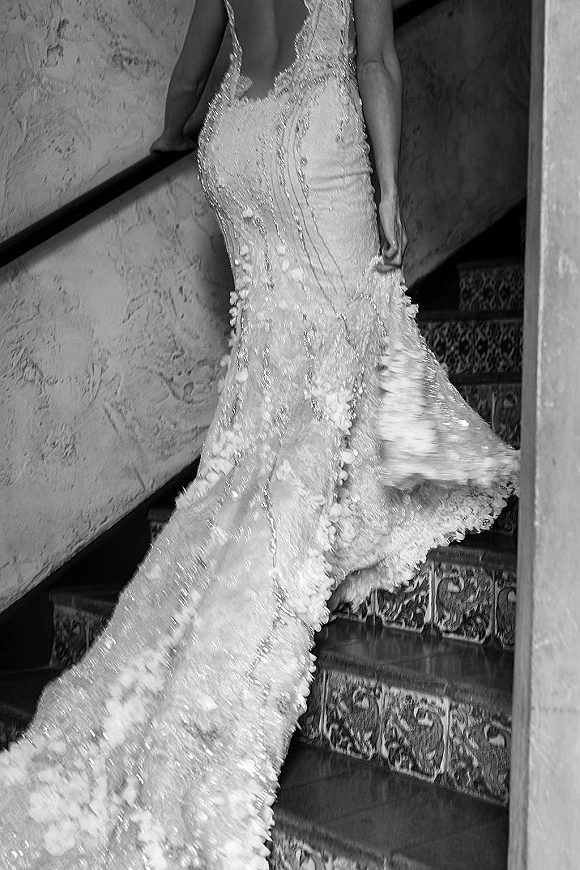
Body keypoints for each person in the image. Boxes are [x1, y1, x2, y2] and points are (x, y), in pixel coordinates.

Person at [0, 1, 518, 868]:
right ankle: (339, 493)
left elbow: (186, 83)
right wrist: (392, 191)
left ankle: (285, 497)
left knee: (281, 372)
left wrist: (172, 137)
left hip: (238, 142)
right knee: (352, 325)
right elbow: (378, 64)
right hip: (310, 139)